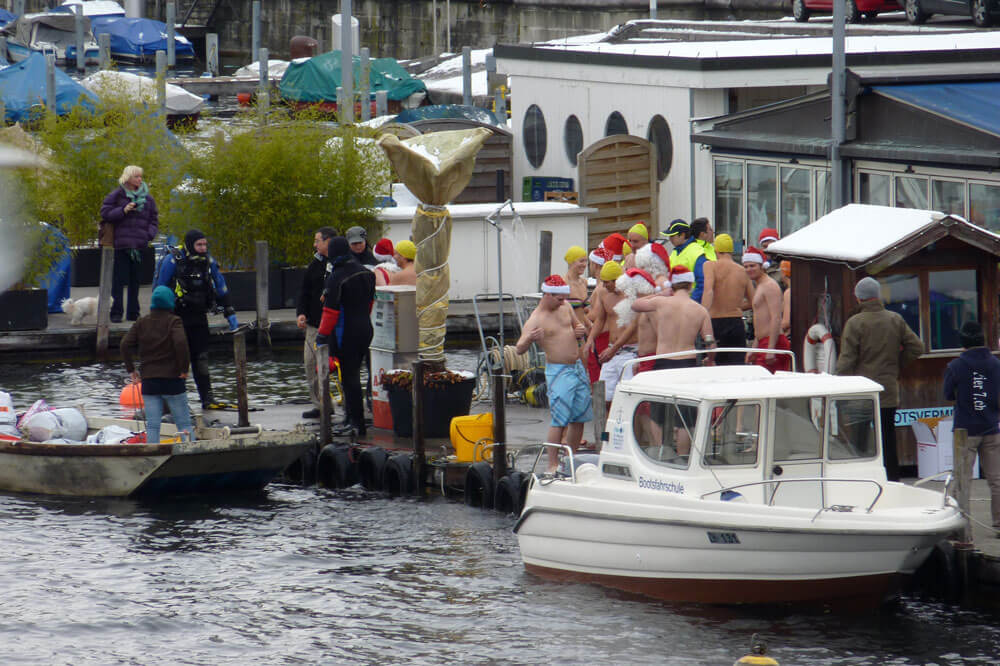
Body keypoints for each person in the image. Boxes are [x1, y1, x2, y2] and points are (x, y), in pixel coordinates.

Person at [836, 276, 923, 482]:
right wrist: (897, 364)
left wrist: (837, 380)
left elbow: (846, 361)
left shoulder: (855, 323)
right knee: (887, 440)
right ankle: (892, 481)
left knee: (859, 442)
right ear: (878, 296)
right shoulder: (895, 319)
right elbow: (916, 347)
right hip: (887, 391)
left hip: (862, 393)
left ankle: (863, 482)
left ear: (858, 298)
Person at [154, 229, 239, 410]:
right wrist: (158, 318)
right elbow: (160, 289)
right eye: (199, 245)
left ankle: (207, 399)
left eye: (205, 244)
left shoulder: (208, 262)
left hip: (199, 317)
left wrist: (230, 313)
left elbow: (221, 286)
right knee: (178, 360)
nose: (203, 248)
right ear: (190, 245)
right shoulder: (173, 261)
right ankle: (174, 401)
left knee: (201, 358)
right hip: (176, 318)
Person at [516, 275, 591, 472]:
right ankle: (552, 463)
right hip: (558, 371)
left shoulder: (565, 306)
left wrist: (580, 330)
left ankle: (570, 458)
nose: (562, 302)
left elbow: (576, 326)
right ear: (547, 295)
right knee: (560, 420)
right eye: (558, 299)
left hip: (576, 367)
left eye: (563, 299)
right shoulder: (536, 319)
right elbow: (519, 349)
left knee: (579, 417)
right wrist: (530, 339)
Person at [944, 320, 1000, 534]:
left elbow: (948, 394)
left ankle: (961, 526)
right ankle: (999, 524)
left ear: (963, 343)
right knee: (996, 480)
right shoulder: (996, 364)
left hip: (964, 431)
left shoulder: (956, 366)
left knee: (962, 479)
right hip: (991, 428)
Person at [317, 237, 376, 437]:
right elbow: (370, 304)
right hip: (366, 328)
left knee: (349, 378)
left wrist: (322, 336)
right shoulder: (367, 273)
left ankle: (357, 423)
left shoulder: (337, 277)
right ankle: (352, 418)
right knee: (357, 375)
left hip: (346, 332)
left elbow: (330, 312)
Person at [120, 286, 193, 444]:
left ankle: (152, 452)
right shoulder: (174, 321)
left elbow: (125, 344)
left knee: (153, 426)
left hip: (149, 381)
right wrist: (184, 368)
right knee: (184, 423)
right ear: (169, 303)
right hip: (173, 380)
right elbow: (181, 343)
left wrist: (131, 370)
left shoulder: (141, 323)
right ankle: (190, 450)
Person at [100, 165, 159, 323]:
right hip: (121, 244)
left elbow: (154, 219)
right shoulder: (117, 195)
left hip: (140, 244)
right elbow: (104, 213)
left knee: (136, 281)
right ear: (128, 178)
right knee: (118, 281)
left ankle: (134, 313)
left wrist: (149, 235)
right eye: (136, 176)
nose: (140, 179)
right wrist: (123, 210)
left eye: (141, 176)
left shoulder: (148, 198)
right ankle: (116, 312)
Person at [632, 265, 714, 369]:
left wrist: (661, 294)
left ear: (672, 286)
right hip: (688, 362)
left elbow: (635, 305)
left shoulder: (660, 302)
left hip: (664, 360)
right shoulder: (701, 310)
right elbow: (710, 343)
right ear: (690, 285)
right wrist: (710, 360)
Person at [584, 260, 637, 405]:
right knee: (604, 399)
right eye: (603, 281)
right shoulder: (603, 292)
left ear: (618, 280)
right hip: (612, 351)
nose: (604, 285)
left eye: (607, 282)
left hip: (630, 351)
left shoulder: (632, 293)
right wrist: (590, 339)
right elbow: (601, 319)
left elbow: (634, 325)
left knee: (628, 400)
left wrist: (614, 348)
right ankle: (606, 428)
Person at [296, 226, 335, 420]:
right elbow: (304, 291)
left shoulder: (338, 263)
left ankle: (343, 405)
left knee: (338, 366)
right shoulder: (315, 264)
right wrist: (301, 313)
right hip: (314, 323)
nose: (314, 244)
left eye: (317, 241)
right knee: (310, 364)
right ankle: (320, 405)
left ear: (328, 241)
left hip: (334, 324)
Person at [702, 233, 753, 365]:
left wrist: (702, 315)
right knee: (736, 370)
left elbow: (708, 291)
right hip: (736, 323)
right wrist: (734, 306)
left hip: (716, 322)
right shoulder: (742, 271)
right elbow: (753, 301)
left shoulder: (710, 266)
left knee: (715, 368)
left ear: (716, 250)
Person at [743, 246, 790, 373]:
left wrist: (771, 349)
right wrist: (754, 349)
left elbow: (776, 317)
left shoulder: (769, 286)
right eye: (746, 266)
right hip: (764, 343)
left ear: (762, 266)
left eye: (752, 266)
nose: (749, 269)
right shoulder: (760, 286)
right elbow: (760, 322)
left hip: (773, 342)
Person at [612, 268, 659, 373]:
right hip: (643, 359)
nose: (625, 295)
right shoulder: (642, 307)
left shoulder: (651, 306)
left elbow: (661, 335)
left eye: (627, 290)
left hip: (651, 360)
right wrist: (638, 360)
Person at [663, 218, 708, 303]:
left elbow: (702, 283)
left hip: (689, 304)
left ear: (682, 235)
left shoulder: (696, 252)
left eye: (672, 236)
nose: (670, 239)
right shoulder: (675, 251)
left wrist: (691, 303)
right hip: (676, 303)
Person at [563, 245, 590, 314]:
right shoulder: (563, 283)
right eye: (581, 261)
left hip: (584, 324)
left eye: (586, 261)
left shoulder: (584, 282)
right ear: (571, 262)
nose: (584, 264)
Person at [780, 260, 792, 338]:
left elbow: (786, 322)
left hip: (790, 336)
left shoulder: (788, 292)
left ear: (784, 273)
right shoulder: (799, 290)